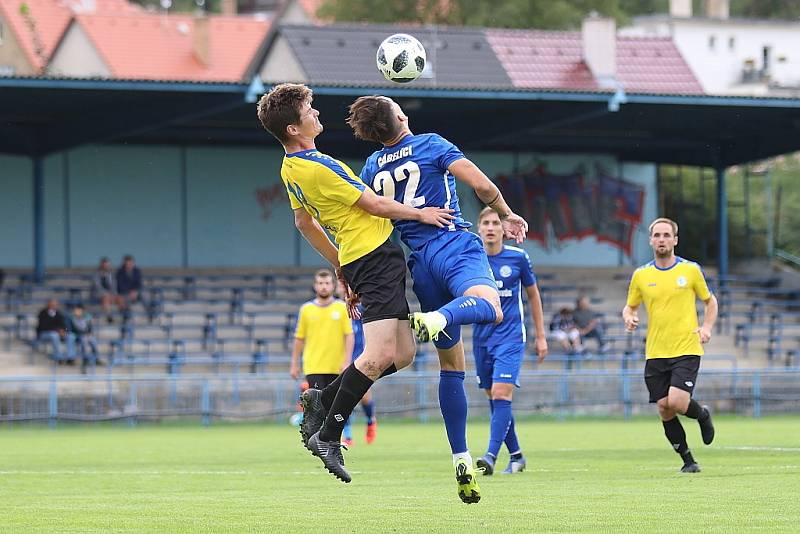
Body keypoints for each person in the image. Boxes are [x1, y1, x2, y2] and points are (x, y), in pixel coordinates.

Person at [256, 83, 454, 485]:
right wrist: (421, 214)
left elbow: (304, 223)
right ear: (294, 128)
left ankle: (323, 399)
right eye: (309, 110)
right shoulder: (319, 166)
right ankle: (328, 433)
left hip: (362, 258)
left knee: (403, 353)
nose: (316, 114)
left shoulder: (290, 167)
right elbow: (374, 205)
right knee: (379, 354)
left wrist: (340, 266)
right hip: (375, 256)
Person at [347, 95, 528, 503]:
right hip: (453, 243)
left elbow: (370, 218)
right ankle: (440, 318)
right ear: (398, 117)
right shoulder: (431, 143)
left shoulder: (372, 167)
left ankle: (461, 458)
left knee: (451, 366)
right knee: (490, 304)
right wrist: (506, 212)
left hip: (420, 264)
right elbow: (481, 185)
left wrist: (356, 277)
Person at [622, 217, 718, 473]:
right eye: (657, 235)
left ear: (675, 240)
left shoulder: (690, 270)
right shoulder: (641, 275)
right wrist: (629, 317)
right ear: (651, 240)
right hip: (655, 351)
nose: (662, 239)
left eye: (667, 235)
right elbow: (630, 306)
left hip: (686, 347)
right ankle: (688, 462)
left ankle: (702, 415)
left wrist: (706, 327)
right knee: (664, 408)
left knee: (676, 401)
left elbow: (710, 301)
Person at [472, 207, 547, 476]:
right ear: (478, 228)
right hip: (481, 339)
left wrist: (540, 336)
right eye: (486, 223)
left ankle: (490, 456)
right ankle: (517, 456)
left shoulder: (518, 258)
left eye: (495, 223)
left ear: (504, 228)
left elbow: (534, 296)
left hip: (511, 337)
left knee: (502, 394)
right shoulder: (473, 260)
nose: (491, 228)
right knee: (494, 398)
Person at [290, 270, 355, 442]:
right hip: (314, 365)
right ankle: (317, 439)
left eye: (327, 283)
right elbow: (299, 338)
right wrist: (294, 364)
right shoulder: (306, 309)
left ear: (333, 286)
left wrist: (347, 360)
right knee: (317, 406)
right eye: (320, 283)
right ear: (315, 286)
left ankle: (338, 436)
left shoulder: (341, 307)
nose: (324, 286)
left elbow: (349, 335)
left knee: (337, 404)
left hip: (337, 365)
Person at [336, 280, 378, 446]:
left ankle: (370, 420)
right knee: (343, 396)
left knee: (363, 396)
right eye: (341, 286)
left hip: (360, 357)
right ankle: (347, 434)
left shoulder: (360, 310)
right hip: (340, 359)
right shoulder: (336, 310)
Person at [36, 299, 75, 364]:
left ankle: (70, 357)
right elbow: (43, 326)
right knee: (54, 335)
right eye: (52, 304)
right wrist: (57, 330)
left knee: (71, 336)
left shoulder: (59, 313)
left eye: (55, 305)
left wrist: (64, 331)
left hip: (58, 333)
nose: (54, 306)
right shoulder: (42, 313)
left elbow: (64, 325)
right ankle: (59, 357)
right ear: (48, 305)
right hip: (45, 333)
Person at [91, 257, 124, 323]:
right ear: (101, 265)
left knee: (120, 298)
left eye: (107, 265)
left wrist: (113, 295)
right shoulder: (96, 274)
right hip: (98, 294)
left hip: (110, 294)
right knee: (105, 298)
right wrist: (107, 294)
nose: (106, 267)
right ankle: (109, 317)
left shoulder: (111, 274)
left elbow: (114, 286)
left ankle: (124, 317)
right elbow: (98, 287)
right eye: (104, 265)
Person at [68, 304, 99, 372]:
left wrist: (89, 333)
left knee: (93, 340)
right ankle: (83, 359)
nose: (76, 311)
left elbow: (90, 328)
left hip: (86, 335)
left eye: (78, 310)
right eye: (75, 310)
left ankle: (96, 358)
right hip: (76, 335)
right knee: (83, 340)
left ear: (82, 311)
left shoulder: (88, 318)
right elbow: (71, 329)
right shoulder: (71, 318)